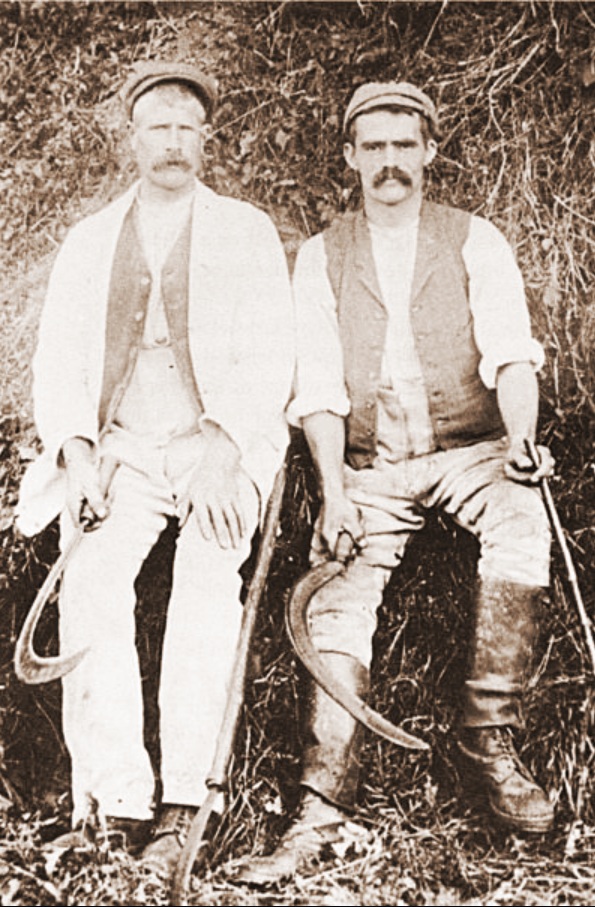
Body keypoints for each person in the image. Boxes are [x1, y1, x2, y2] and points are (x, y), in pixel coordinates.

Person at [237, 81, 554, 887]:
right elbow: (317, 388)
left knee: (521, 520)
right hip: (371, 467)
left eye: (403, 145)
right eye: (372, 146)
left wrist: (520, 438)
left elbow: (511, 352)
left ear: (428, 151)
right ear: (349, 157)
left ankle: (488, 737)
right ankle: (322, 800)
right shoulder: (322, 254)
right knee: (337, 591)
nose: (389, 161)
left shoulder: (474, 239)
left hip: (471, 450)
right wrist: (334, 492)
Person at [16, 61, 294, 877]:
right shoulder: (90, 239)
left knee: (206, 579)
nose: (172, 142)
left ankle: (184, 804)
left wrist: (223, 448)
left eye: (185, 128)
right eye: (157, 128)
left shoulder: (243, 230)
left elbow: (270, 353)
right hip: (125, 448)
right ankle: (111, 802)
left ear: (205, 139)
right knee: (92, 580)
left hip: (218, 444)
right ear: (131, 139)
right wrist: (77, 453)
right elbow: (56, 359)